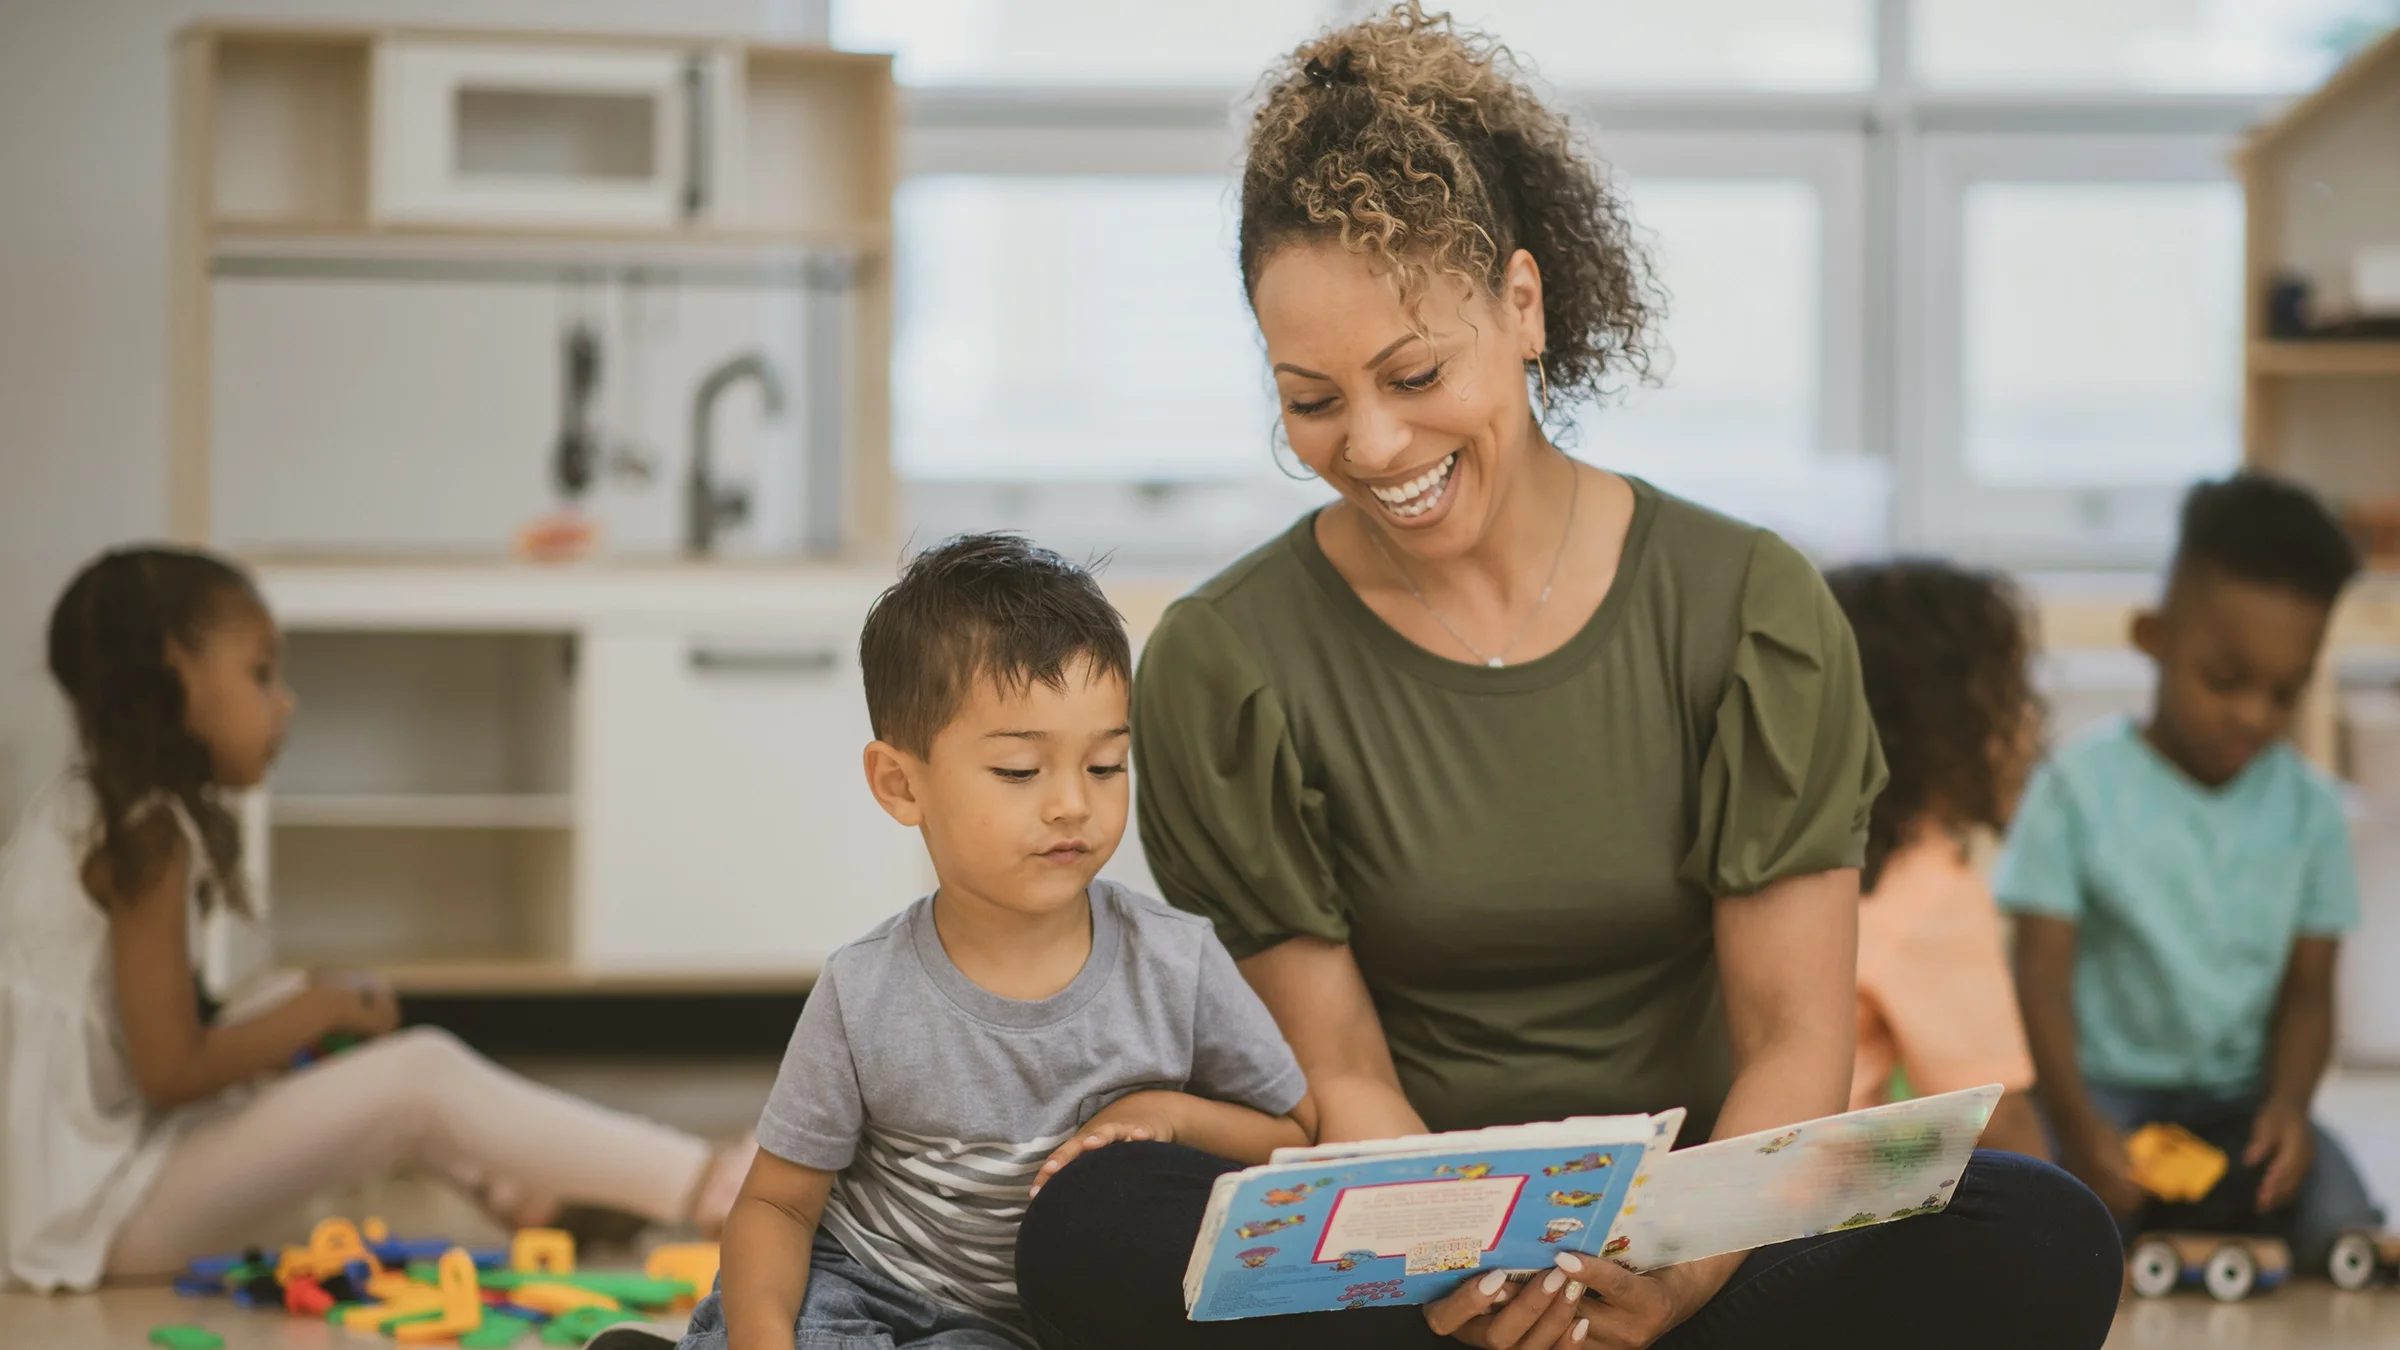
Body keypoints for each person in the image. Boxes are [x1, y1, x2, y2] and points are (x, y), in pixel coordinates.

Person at [1010, 8, 2123, 1349]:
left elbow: (1790, 1048)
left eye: (1415, 373)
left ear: (1524, 305)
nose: (1370, 443)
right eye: (1310, 398)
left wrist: (1675, 1273)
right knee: (1096, 1219)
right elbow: (1343, 1069)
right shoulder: (1227, 659)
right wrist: (1463, 1277)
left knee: (2038, 1229)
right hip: (1401, 1248)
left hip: (1694, 1237)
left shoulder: (1749, 608)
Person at [0, 546, 754, 1292]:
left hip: (94, 1180)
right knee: (417, 1077)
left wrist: (302, 1014)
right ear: (174, 675)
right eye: (261, 674)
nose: (284, 702)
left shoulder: (93, 811)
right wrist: (310, 1014)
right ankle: (709, 1184)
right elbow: (170, 1070)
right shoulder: (145, 834)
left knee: (300, 1008)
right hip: (98, 1220)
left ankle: (523, 1191)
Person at [634, 534, 1314, 1350]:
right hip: (866, 1283)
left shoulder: (1176, 959)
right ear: (901, 783)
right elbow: (778, 1204)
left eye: (1105, 766)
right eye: (1022, 772)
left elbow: (1294, 1136)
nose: (1072, 804)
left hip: (1037, 1325)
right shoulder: (863, 990)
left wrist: (1171, 1114)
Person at [2002, 472, 2386, 1271]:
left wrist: (2287, 1106)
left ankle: (2192, 1230)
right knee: (2034, 1192)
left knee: (2338, 1209)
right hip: (2100, 1094)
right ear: (2155, 636)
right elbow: (2038, 976)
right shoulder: (2076, 788)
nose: (2253, 714)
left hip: (2238, 1106)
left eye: (2286, 692)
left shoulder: (2311, 812)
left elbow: (2310, 991)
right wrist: (2078, 1125)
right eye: (2226, 680)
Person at [1826, 561, 2047, 1156]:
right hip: (1807, 1209)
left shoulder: (1806, 849)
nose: (2032, 722)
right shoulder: (1929, 890)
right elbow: (2000, 1123)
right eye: (2012, 696)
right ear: (1940, 726)